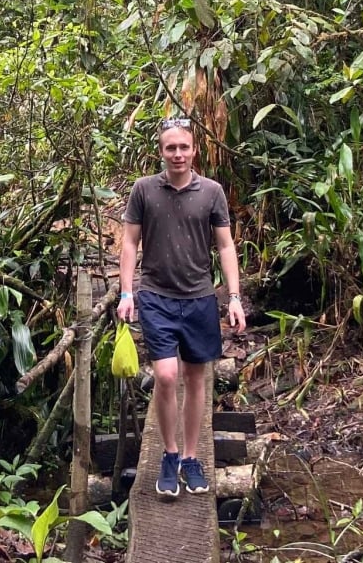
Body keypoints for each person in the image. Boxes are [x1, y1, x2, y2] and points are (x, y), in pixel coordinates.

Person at [117, 116, 245, 498]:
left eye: (183, 147)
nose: (177, 154)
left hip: (200, 299)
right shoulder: (143, 191)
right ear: (161, 151)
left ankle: (191, 457)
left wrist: (234, 298)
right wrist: (127, 293)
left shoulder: (211, 192)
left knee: (195, 379)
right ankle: (169, 454)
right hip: (156, 296)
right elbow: (128, 244)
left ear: (194, 150)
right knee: (167, 376)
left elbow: (225, 246)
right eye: (170, 147)